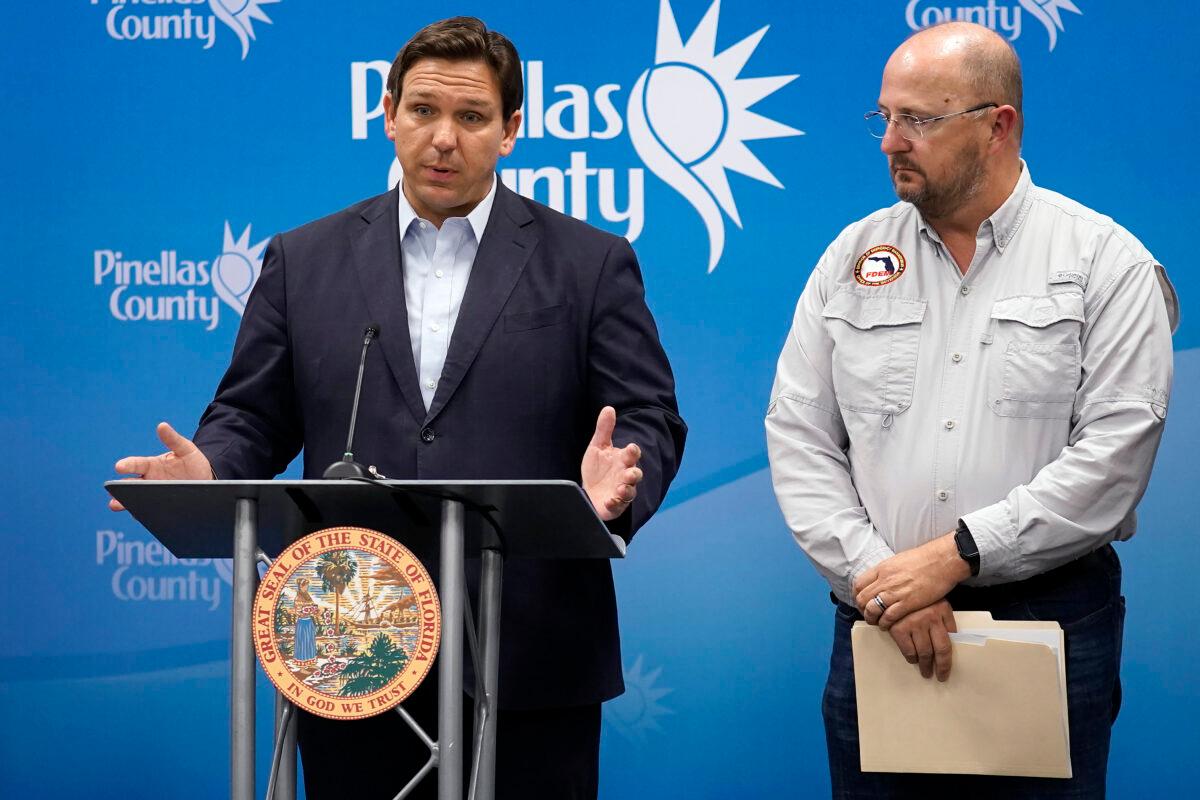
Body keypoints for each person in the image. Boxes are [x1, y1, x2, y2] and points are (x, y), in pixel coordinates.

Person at [109, 16, 686, 800]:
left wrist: (617, 485)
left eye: (472, 117)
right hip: (350, 637)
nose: (443, 138)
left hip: (530, 643)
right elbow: (253, 415)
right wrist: (211, 466)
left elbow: (647, 415)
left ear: (511, 129)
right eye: (422, 112)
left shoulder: (589, 263)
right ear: (388, 115)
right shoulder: (301, 260)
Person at [765, 21, 1177, 798]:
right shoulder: (850, 260)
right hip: (878, 619)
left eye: (918, 119)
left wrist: (955, 555)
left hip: (1049, 619)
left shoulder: (1104, 261)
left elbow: (1115, 457)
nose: (890, 141)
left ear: (999, 126)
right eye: (883, 117)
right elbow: (798, 436)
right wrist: (881, 582)